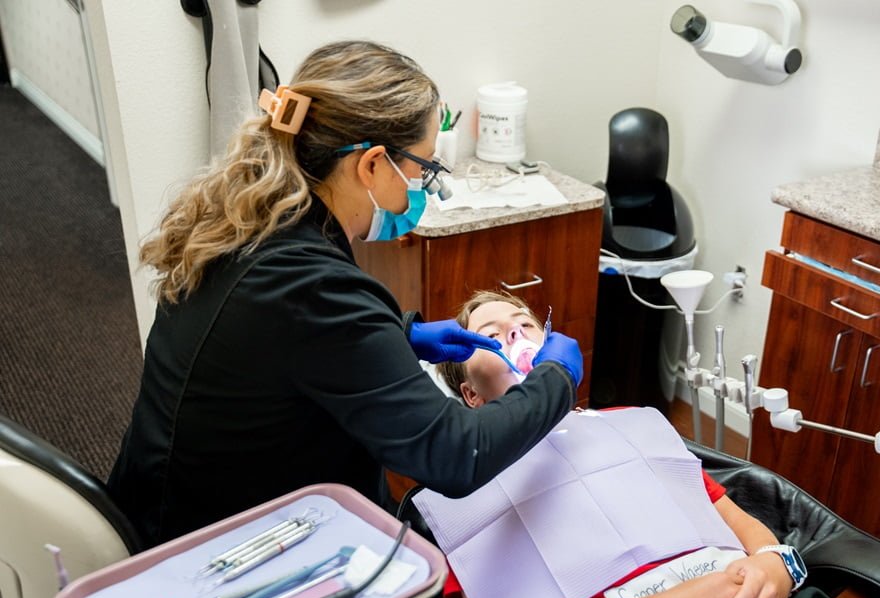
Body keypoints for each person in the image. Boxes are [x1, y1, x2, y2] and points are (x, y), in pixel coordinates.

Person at [107, 41, 583, 548]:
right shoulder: (311, 287)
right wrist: (555, 377)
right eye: (424, 166)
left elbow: (292, 344)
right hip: (206, 549)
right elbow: (455, 456)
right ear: (373, 164)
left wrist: (404, 335)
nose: (429, 186)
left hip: (168, 501)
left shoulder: (253, 221)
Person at [416, 291, 880, 598]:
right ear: (471, 397)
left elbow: (733, 519)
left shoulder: (631, 426)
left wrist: (777, 565)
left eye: (524, 322)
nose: (515, 332)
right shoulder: (466, 481)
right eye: (490, 333)